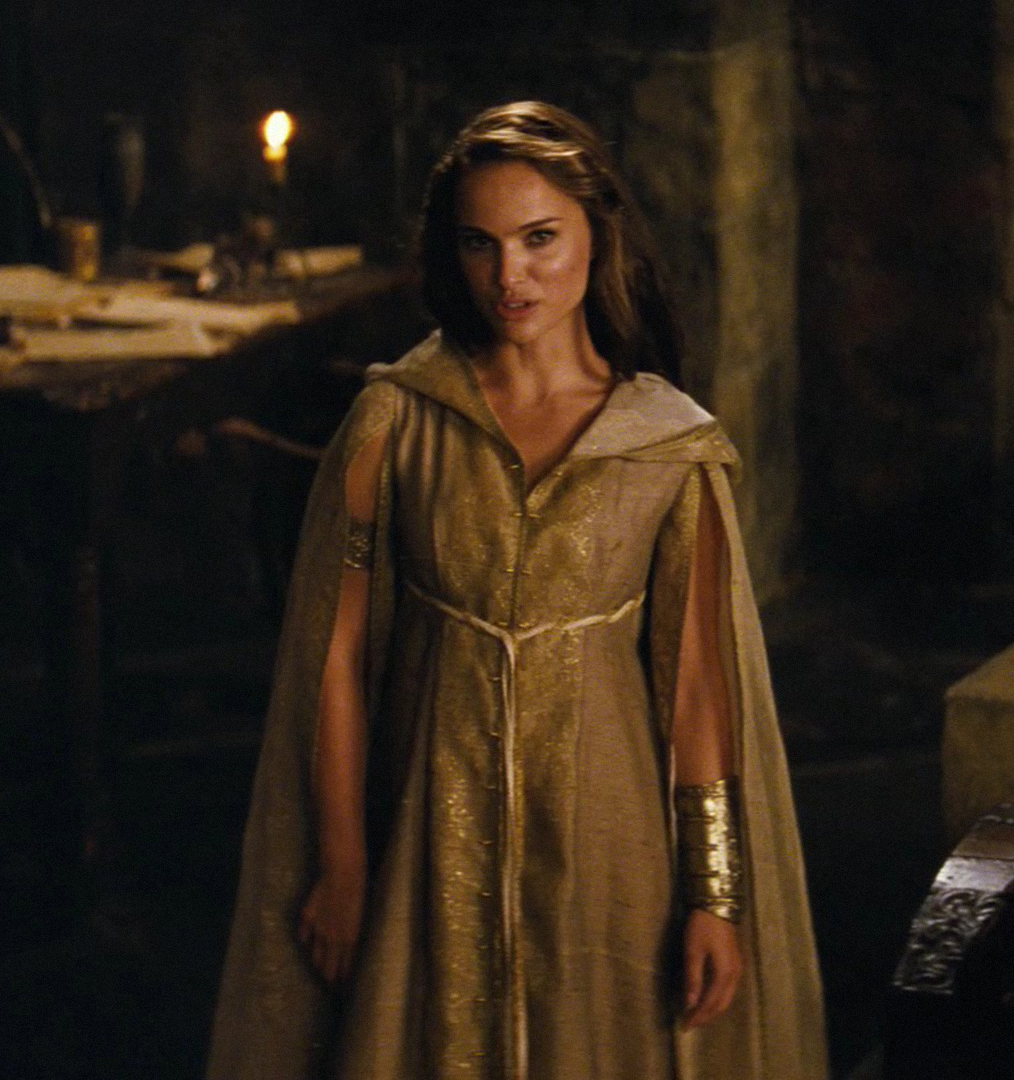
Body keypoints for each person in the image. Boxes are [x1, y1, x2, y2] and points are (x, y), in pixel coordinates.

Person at [205, 101, 826, 1080]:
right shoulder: (397, 423)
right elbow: (337, 655)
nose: (510, 276)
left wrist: (714, 893)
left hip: (610, 851)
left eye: (540, 239)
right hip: (427, 844)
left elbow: (699, 689)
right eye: (480, 244)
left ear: (596, 234)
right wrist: (343, 862)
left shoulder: (667, 449)